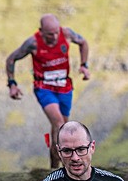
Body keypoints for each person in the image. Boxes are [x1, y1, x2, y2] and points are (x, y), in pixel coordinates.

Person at [6, 14, 91, 169]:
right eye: (50, 34)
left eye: (56, 32)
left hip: (64, 87)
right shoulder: (33, 43)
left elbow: (83, 42)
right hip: (44, 88)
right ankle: (66, 169)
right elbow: (11, 59)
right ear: (41, 31)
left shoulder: (66, 34)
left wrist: (84, 65)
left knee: (61, 128)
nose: (54, 36)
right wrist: (12, 84)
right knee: (59, 124)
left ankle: (53, 168)